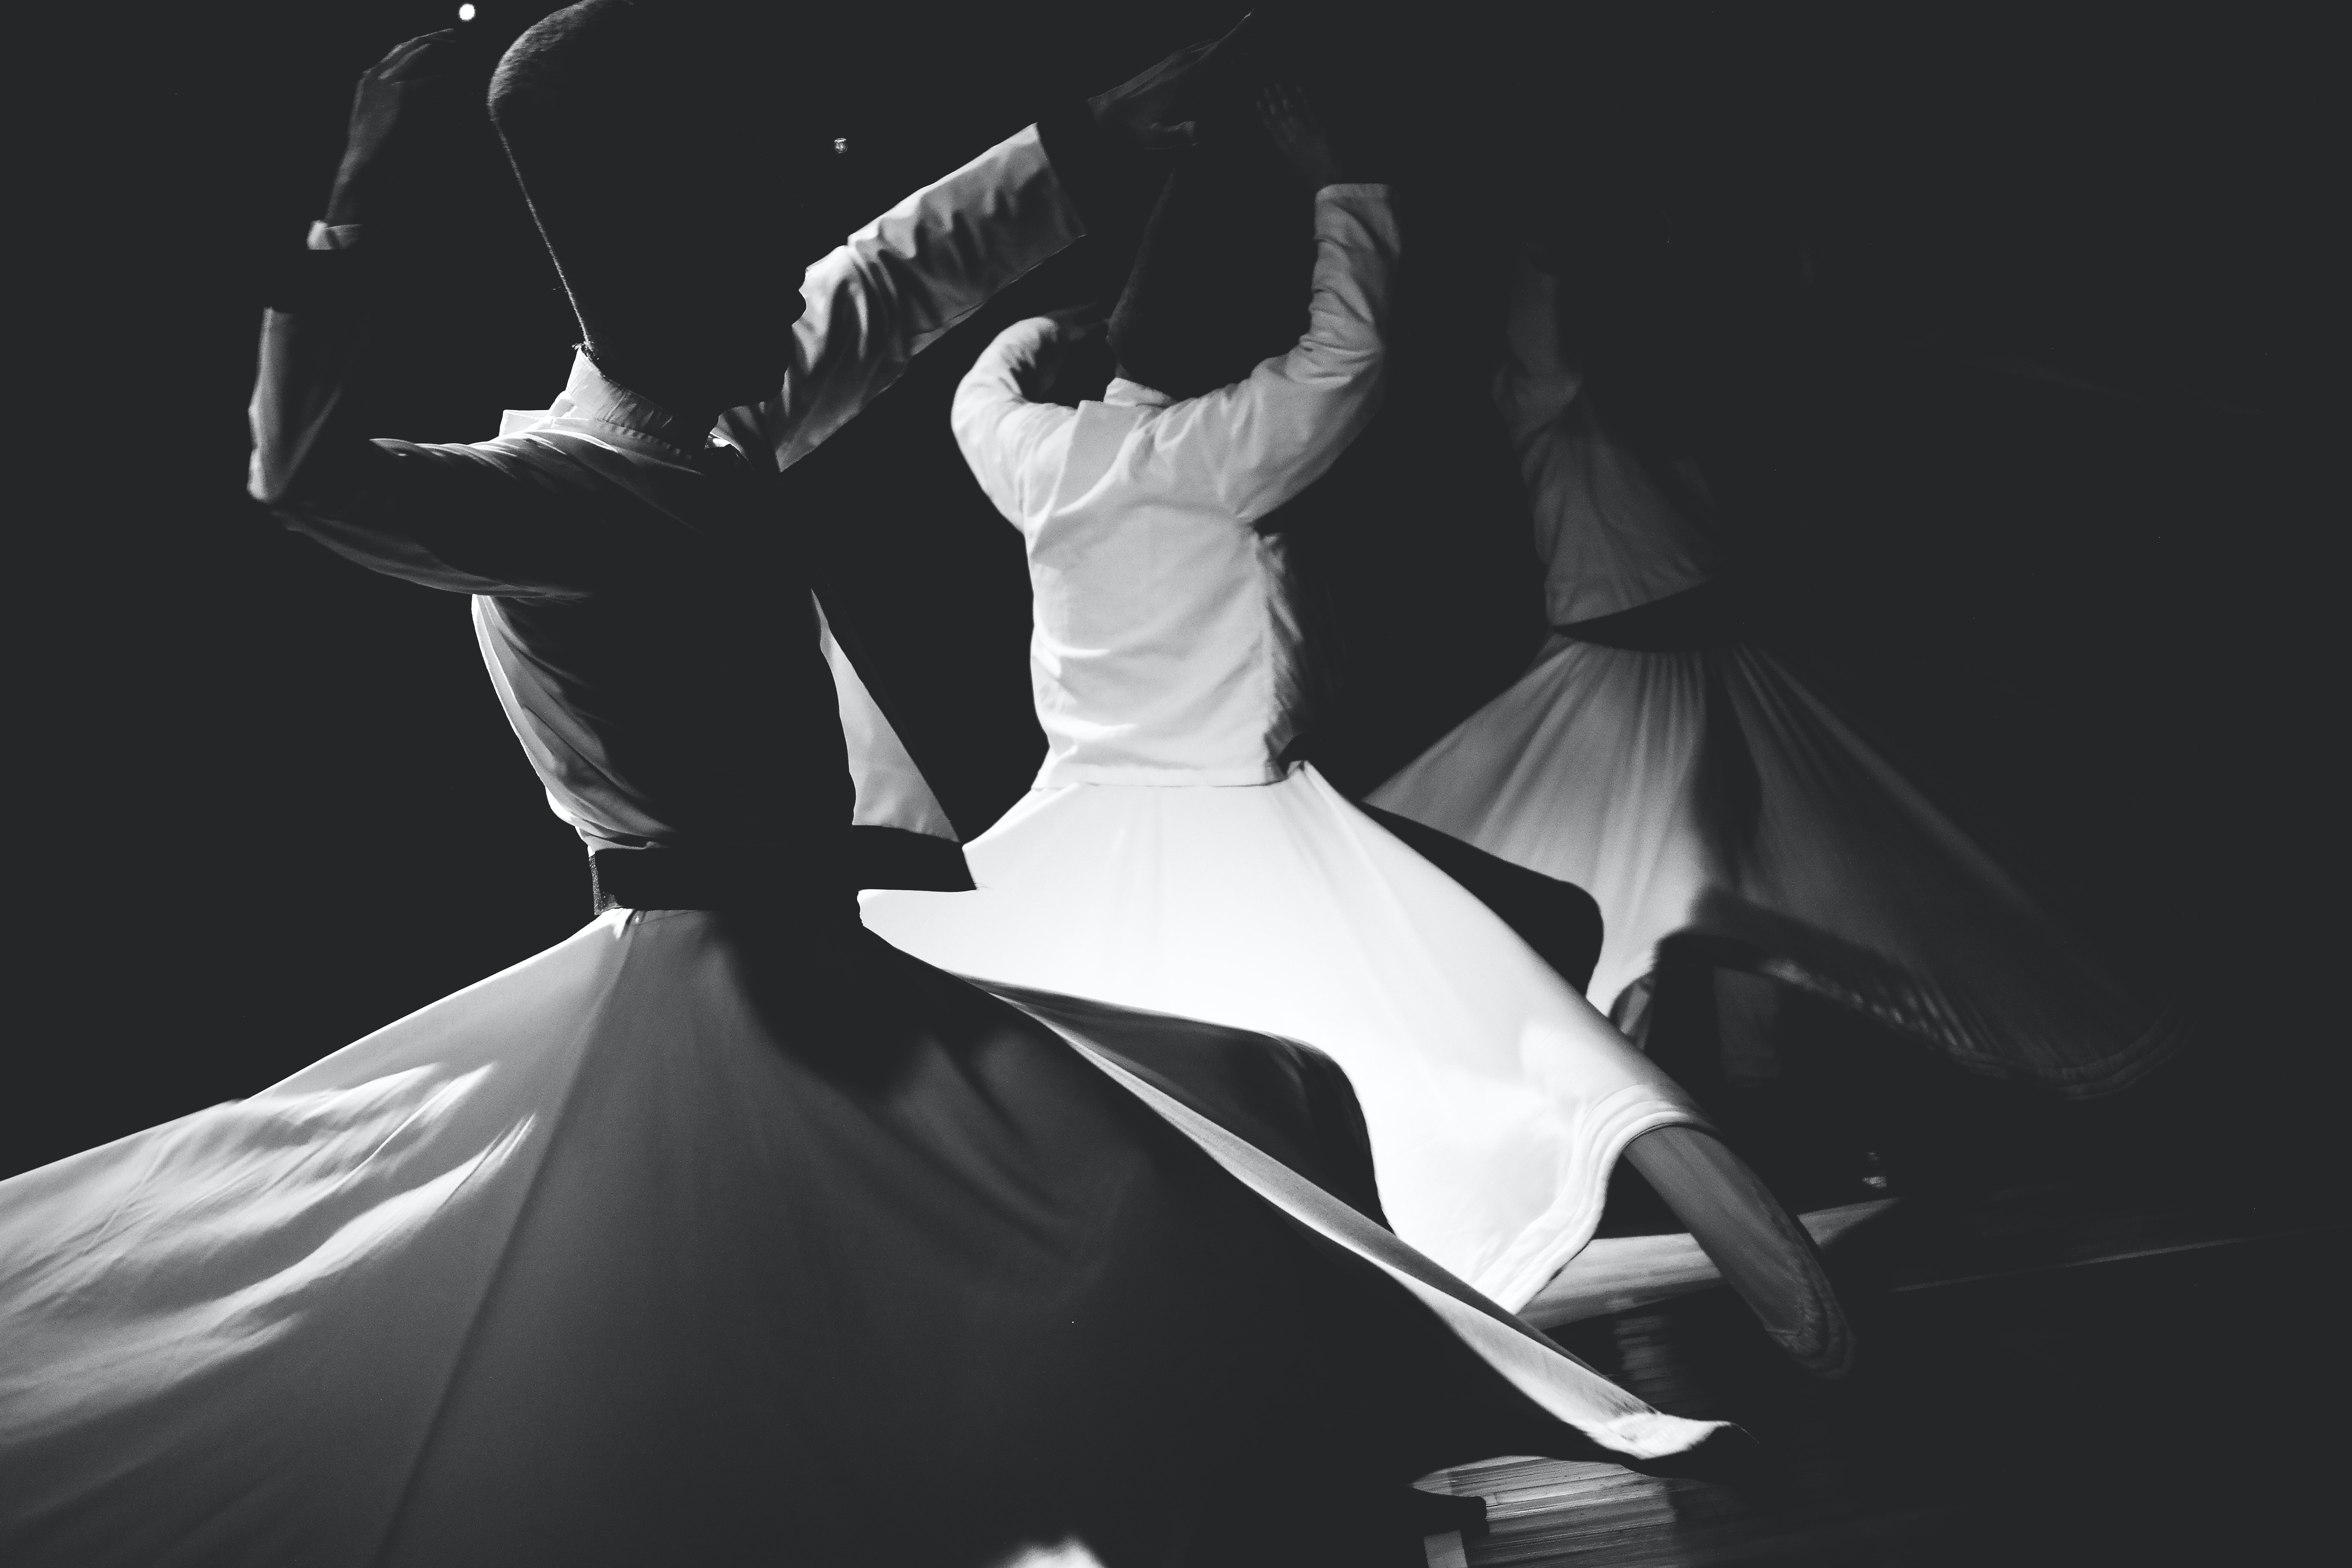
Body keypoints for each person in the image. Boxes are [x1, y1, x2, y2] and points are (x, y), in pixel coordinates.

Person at [0, 11, 1748, 1565]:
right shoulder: (563, 497)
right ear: (658, 268)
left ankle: (1255, 1501)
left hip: (823, 964)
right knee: (1101, 1215)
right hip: (729, 1004)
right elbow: (300, 478)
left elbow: (903, 270)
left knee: (1234, 1123)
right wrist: (353, 211)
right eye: (756, 251)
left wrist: (1113, 126)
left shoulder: (713, 417)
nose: (794, 287)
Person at [860, 84, 1852, 1378]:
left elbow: (974, 395)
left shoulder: (1042, 454)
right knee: (1526, 1033)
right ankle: (1798, 1312)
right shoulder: (1217, 449)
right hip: (1244, 822)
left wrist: (1053, 333)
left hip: (1089, 817)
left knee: (1143, 1069)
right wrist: (1343, 190)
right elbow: (1350, 355)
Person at [1368, 238, 2192, 1099]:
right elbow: (1544, 311)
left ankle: (1751, 1097)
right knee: (1622, 900)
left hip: (1731, 673)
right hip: (1619, 683)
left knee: (1769, 893)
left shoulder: (1685, 402)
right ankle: (1615, 1111)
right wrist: (1551, 254)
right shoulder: (1552, 396)